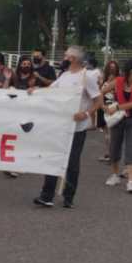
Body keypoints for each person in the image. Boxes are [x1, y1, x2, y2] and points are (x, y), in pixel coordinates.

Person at [33, 45, 103, 209]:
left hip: (77, 128)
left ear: (73, 59)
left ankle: (68, 197)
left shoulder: (87, 77)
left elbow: (98, 100)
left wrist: (86, 114)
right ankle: (47, 196)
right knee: (53, 158)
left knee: (72, 163)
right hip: (59, 125)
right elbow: (51, 90)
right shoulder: (64, 75)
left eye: (65, 56)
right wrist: (35, 91)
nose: (63, 58)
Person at [104, 60, 132, 193]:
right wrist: (104, 107)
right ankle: (115, 175)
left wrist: (117, 107)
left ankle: (131, 182)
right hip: (118, 119)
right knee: (114, 148)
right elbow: (101, 91)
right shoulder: (118, 81)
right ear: (130, 69)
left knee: (131, 149)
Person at [96, 60, 121, 162]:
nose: (112, 69)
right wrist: (100, 83)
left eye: (114, 67)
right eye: (110, 67)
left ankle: (112, 154)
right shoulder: (104, 79)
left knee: (111, 132)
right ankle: (109, 153)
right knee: (106, 132)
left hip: (111, 106)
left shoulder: (118, 80)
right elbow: (99, 91)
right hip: (103, 106)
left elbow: (118, 94)